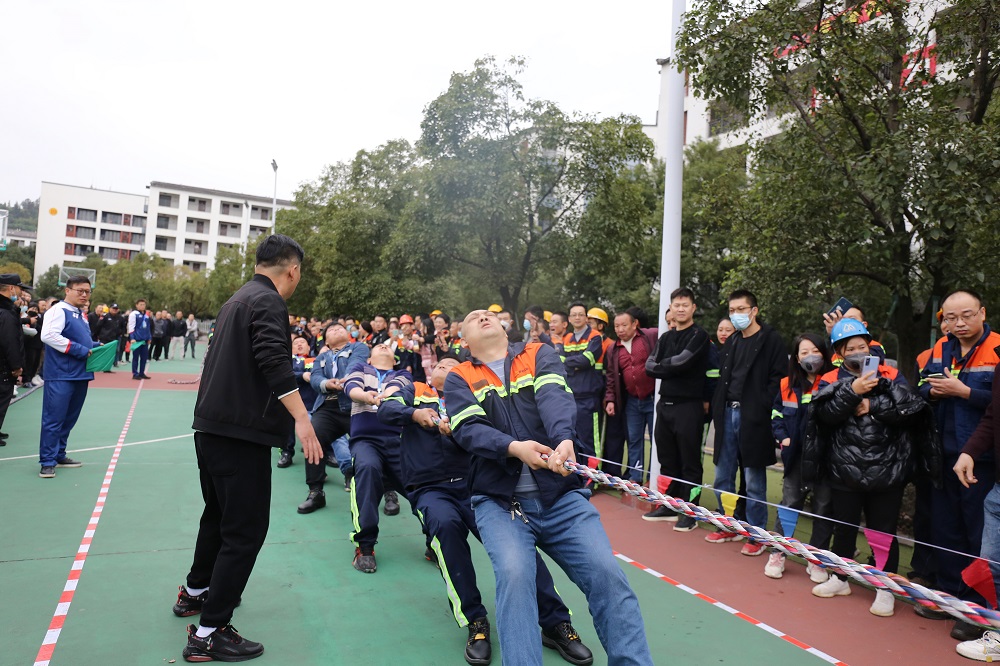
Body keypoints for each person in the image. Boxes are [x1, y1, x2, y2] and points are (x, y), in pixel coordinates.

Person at [445, 309, 654, 666]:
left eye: (488, 314)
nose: (483, 316)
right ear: (463, 340)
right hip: (501, 506)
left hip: (561, 498)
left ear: (504, 328)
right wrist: (515, 448)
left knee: (606, 574)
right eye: (473, 317)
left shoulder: (538, 352)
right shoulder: (458, 377)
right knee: (515, 579)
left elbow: (554, 397)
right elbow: (469, 430)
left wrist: (564, 439)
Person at [379, 355, 594, 665]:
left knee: (518, 546)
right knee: (445, 528)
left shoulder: (469, 394)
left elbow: (490, 436)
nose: (446, 367)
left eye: (452, 365)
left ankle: (555, 623)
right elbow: (386, 409)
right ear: (430, 372)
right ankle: (475, 622)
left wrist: (460, 429)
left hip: (476, 486)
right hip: (430, 487)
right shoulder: (414, 389)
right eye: (440, 365)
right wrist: (415, 414)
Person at [174, 234, 322, 662]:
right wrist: (302, 418)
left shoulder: (236, 299)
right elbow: (273, 362)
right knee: (244, 531)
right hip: (240, 434)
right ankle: (209, 632)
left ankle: (196, 591)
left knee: (218, 517)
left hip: (212, 429)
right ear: (293, 270)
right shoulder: (269, 301)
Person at [801, 318, 939, 618]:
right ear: (839, 352)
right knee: (844, 527)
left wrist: (873, 405)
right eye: (850, 348)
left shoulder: (891, 374)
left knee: (882, 532)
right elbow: (824, 415)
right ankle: (840, 578)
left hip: (887, 470)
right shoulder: (829, 379)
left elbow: (911, 410)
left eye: (861, 346)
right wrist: (852, 391)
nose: (857, 352)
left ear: (870, 345)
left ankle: (885, 588)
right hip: (843, 469)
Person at [917, 290, 1000, 641]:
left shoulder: (997, 348)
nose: (959, 323)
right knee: (945, 529)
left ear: (982, 313)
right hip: (943, 454)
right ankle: (949, 597)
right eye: (950, 318)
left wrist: (964, 392)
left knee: (979, 536)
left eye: (966, 315)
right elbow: (921, 385)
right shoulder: (940, 348)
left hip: (982, 459)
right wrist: (932, 391)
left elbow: (996, 405)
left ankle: (977, 609)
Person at [707, 290, 787, 554]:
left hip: (754, 416)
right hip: (727, 413)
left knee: (754, 479)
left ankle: (756, 534)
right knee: (723, 475)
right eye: (732, 310)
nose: (736, 315)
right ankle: (727, 524)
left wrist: (761, 405)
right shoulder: (731, 341)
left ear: (754, 311)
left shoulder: (771, 340)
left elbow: (779, 379)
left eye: (741, 309)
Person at [644, 288, 719, 531]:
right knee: (667, 459)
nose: (680, 309)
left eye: (685, 305)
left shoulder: (699, 335)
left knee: (690, 462)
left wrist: (664, 366)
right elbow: (649, 366)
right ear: (671, 308)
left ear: (693, 308)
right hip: (665, 404)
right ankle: (670, 505)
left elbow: (683, 361)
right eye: (676, 305)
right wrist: (669, 367)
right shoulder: (666, 338)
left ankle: (691, 512)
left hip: (689, 406)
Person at [764, 333, 835, 581]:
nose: (810, 356)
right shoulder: (786, 384)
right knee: (790, 503)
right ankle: (778, 553)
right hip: (795, 456)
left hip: (826, 458)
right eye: (804, 352)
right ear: (796, 357)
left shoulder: (833, 381)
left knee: (824, 508)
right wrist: (783, 438)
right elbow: (776, 413)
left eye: (815, 350)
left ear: (824, 353)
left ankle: (817, 560)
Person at [343, 342, 410, 572]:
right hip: (365, 440)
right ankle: (365, 546)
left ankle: (434, 540)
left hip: (398, 441)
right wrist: (367, 397)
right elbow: (351, 388)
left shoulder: (402, 374)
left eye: (388, 347)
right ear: (369, 359)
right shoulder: (361, 368)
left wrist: (384, 396)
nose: (383, 345)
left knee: (421, 487)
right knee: (367, 469)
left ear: (394, 360)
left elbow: (398, 389)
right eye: (378, 346)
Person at [953, 345, 1000, 661]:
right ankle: (996, 634)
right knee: (990, 566)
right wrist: (970, 451)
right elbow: (994, 414)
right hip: (998, 489)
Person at [298, 324, 368, 511]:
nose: (336, 330)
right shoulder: (321, 358)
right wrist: (327, 383)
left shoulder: (358, 347)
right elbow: (315, 378)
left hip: (356, 404)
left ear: (348, 334)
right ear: (326, 341)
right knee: (313, 439)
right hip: (327, 407)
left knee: (372, 443)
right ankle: (315, 492)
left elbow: (357, 364)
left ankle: (388, 491)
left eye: (340, 328)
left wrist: (346, 380)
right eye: (331, 330)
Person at [37, 276, 98, 478]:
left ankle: (59, 454)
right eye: (80, 290)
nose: (84, 295)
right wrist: (80, 349)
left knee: (69, 419)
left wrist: (95, 347)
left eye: (87, 291)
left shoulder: (80, 314)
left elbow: (79, 340)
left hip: (80, 374)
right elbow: (48, 335)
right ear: (67, 290)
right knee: (53, 419)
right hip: (61, 374)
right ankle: (47, 461)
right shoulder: (58, 310)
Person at [603, 310, 657, 484]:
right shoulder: (613, 349)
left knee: (656, 440)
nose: (620, 329)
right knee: (634, 439)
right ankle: (636, 477)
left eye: (624, 325)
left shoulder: (650, 336)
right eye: (617, 326)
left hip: (654, 398)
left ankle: (653, 478)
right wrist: (610, 399)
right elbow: (611, 377)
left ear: (635, 324)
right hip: (632, 401)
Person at [561, 302, 606, 466]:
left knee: (590, 442)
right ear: (569, 319)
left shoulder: (595, 336)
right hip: (571, 397)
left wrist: (571, 363)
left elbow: (587, 360)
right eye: (574, 315)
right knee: (573, 440)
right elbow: (561, 362)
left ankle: (593, 476)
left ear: (586, 318)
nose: (577, 317)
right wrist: (576, 364)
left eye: (581, 314)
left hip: (589, 398)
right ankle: (578, 475)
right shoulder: (567, 338)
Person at [277, 336, 317, 469]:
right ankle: (287, 452)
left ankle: (328, 453)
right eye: (296, 343)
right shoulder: (288, 360)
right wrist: (302, 375)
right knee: (287, 425)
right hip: (292, 402)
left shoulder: (316, 360)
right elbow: (285, 374)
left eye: (303, 342)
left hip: (313, 404)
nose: (299, 344)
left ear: (309, 347)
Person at [0, 275, 27, 446]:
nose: (21, 292)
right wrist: (16, 365)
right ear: (11, 288)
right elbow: (10, 341)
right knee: (2, 397)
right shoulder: (6, 312)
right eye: (19, 288)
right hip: (3, 366)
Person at [128, 299, 152, 380]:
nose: (142, 306)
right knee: (135, 357)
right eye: (141, 304)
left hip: (145, 340)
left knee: (144, 357)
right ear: (137, 305)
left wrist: (149, 337)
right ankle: (135, 373)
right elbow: (131, 327)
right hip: (137, 340)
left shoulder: (146, 314)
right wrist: (132, 338)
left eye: (144, 304)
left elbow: (148, 327)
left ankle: (142, 373)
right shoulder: (133, 314)